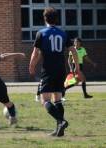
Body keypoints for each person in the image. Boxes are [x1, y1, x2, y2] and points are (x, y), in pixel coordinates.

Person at [29, 7, 81, 137]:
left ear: (45, 18)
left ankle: (62, 121)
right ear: (56, 19)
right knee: (57, 98)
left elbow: (36, 53)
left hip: (48, 69)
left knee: (44, 100)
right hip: (60, 69)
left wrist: (31, 65)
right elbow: (73, 50)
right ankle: (59, 129)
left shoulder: (41, 33)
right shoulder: (63, 33)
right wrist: (77, 67)